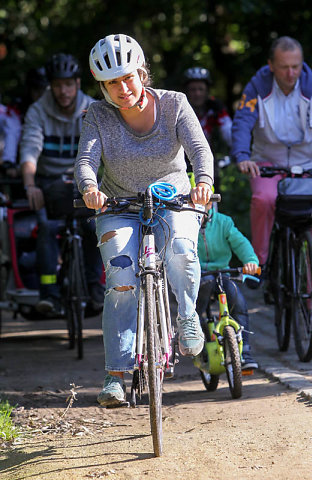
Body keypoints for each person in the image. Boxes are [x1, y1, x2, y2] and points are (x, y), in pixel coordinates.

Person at [74, 33, 214, 407]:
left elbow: (200, 149)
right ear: (102, 86)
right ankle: (116, 375)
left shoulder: (175, 104)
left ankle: (187, 317)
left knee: (182, 249)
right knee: (121, 275)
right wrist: (90, 188)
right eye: (112, 82)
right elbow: (86, 161)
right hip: (119, 205)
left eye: (128, 77)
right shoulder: (98, 115)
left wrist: (203, 182)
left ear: (142, 72)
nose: (123, 88)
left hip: (175, 199)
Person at [231, 36, 312, 331]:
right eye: (284, 67)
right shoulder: (256, 88)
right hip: (266, 163)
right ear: (271, 66)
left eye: (296, 67)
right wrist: (241, 155)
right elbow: (242, 121)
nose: (291, 74)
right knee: (263, 200)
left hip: (307, 165)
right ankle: (259, 263)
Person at [19, 52, 104, 315]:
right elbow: (30, 149)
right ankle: (50, 294)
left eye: (68, 84)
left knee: (94, 227)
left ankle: (95, 289)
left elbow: (103, 150)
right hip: (49, 182)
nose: (63, 90)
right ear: (50, 86)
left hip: (85, 180)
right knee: (46, 227)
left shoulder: (92, 107)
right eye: (57, 85)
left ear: (77, 83)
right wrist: (30, 185)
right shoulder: (38, 110)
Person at [196, 200, 259, 370]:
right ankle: (195, 338)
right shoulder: (184, 225)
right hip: (196, 275)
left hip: (222, 272)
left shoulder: (223, 222)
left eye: (206, 203)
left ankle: (245, 351)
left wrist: (250, 261)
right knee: (196, 307)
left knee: (237, 301)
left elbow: (240, 242)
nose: (202, 207)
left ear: (211, 203)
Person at [183, 67, 232, 192]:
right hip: (182, 161)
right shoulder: (179, 108)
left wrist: (236, 153)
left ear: (207, 91)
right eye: (193, 90)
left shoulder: (215, 108)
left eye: (201, 89)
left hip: (210, 161)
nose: (197, 93)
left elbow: (229, 132)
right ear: (187, 91)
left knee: (212, 195)